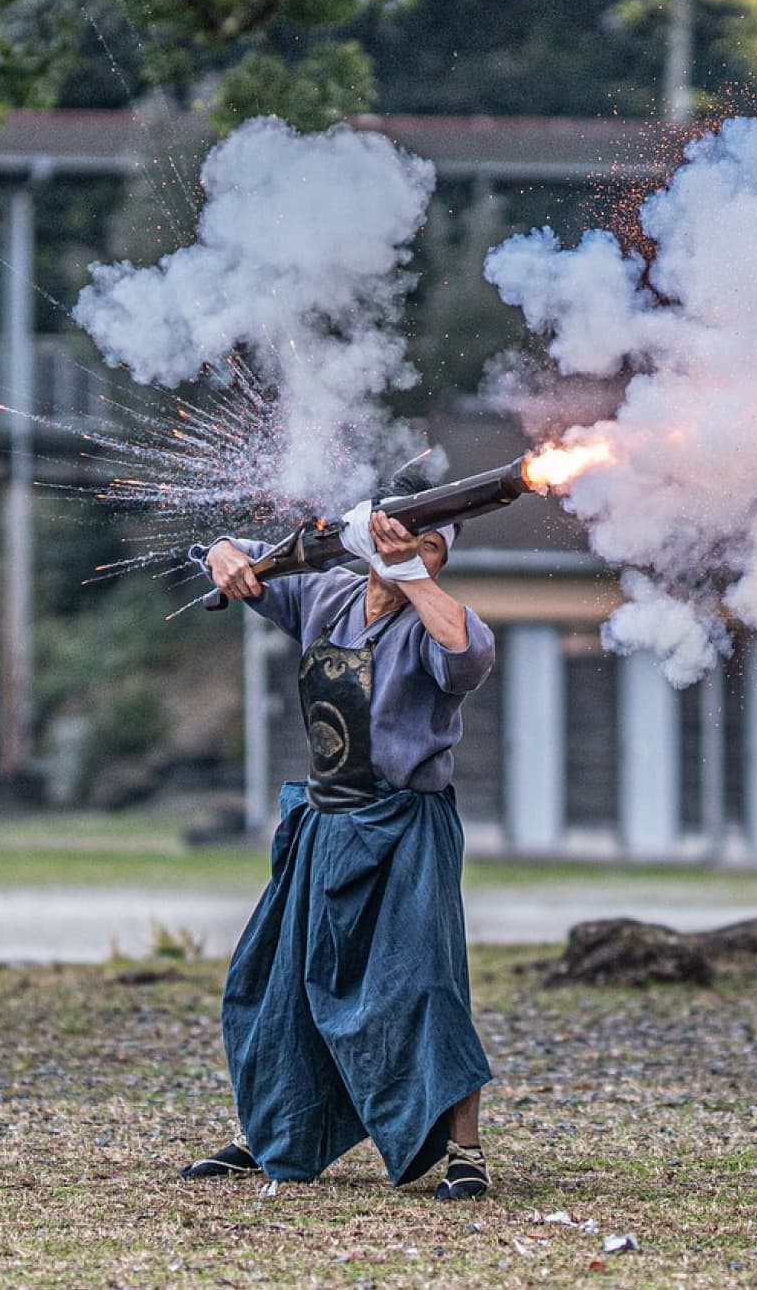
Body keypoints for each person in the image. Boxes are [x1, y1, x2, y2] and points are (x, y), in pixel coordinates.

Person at [179, 481, 495, 1201]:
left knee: (427, 987)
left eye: (433, 544)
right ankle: (270, 1135)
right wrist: (223, 554)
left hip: (407, 826)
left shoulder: (437, 619)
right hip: (324, 819)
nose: (415, 549)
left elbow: (467, 654)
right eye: (403, 533)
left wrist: (410, 568)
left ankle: (465, 1152)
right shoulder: (324, 595)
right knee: (271, 980)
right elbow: (241, 559)